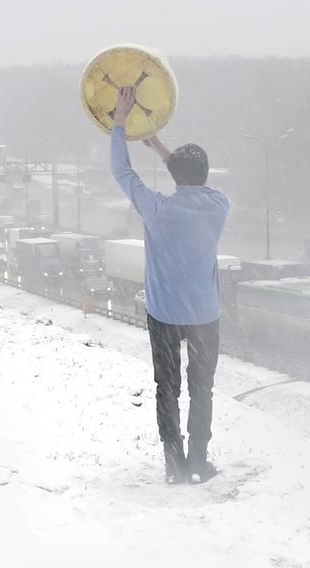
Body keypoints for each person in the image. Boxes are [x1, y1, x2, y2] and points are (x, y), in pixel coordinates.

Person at [110, 86, 229, 484]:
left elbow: (122, 173)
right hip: (205, 314)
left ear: (175, 176)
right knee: (202, 389)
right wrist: (162, 148)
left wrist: (120, 123)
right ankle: (199, 460)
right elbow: (192, 180)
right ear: (206, 175)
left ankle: (174, 462)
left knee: (168, 388)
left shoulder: (157, 210)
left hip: (163, 314)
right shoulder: (218, 207)